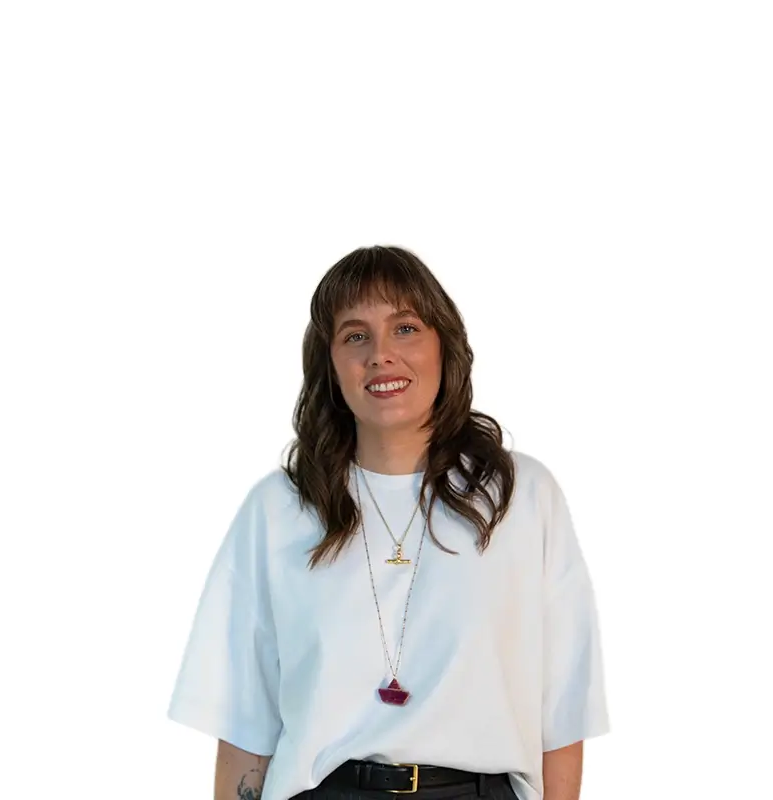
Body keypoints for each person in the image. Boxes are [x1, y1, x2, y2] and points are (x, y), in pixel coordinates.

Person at [167, 245, 610, 800]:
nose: (381, 355)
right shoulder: (278, 509)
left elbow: (563, 708)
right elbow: (244, 723)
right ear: (330, 364)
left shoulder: (520, 496)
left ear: (444, 345)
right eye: (355, 336)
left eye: (405, 328)